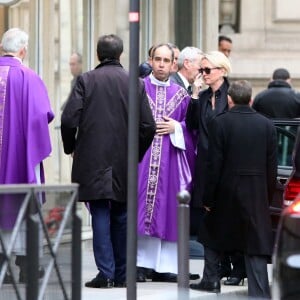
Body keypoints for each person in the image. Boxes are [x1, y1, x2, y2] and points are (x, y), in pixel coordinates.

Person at [61, 34, 156, 288]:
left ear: (97, 54)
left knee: (101, 211)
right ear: (121, 54)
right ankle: (123, 274)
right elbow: (148, 126)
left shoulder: (86, 80)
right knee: (123, 214)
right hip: (123, 159)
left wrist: (71, 147)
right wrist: (135, 153)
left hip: (93, 159)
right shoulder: (134, 83)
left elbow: (69, 119)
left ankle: (106, 273)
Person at [190, 80, 277, 298]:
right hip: (256, 193)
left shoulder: (220, 123)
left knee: (210, 234)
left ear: (229, 99)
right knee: (255, 242)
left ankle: (211, 279)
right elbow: (271, 167)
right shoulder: (267, 125)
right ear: (251, 99)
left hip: (226, 192)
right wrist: (266, 196)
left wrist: (208, 198)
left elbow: (214, 164)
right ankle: (259, 291)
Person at [185, 51, 247, 282]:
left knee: (231, 216)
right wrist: (194, 93)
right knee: (209, 216)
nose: (203, 74)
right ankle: (220, 266)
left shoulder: (232, 95)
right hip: (205, 163)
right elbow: (191, 125)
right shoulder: (201, 98)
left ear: (222, 70)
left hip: (229, 162)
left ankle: (239, 268)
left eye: (207, 70)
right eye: (201, 70)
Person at [137, 43, 197, 282]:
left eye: (166, 60)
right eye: (157, 59)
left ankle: (165, 266)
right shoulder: (137, 90)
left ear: (174, 64)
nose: (161, 64)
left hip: (170, 164)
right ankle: (141, 264)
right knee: (140, 210)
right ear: (150, 60)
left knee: (168, 211)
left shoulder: (181, 95)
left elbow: (193, 132)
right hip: (141, 162)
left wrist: (177, 128)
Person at [0, 28, 54, 283]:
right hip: (18, 160)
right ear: (23, 49)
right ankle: (25, 266)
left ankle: (3, 267)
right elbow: (41, 117)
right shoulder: (28, 76)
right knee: (22, 204)